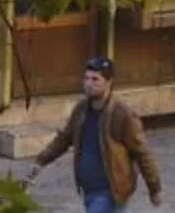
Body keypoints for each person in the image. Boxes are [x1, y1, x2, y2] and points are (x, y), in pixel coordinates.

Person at [31, 55, 163, 212]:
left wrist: (154, 188)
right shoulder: (81, 110)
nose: (88, 84)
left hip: (111, 191)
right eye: (86, 78)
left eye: (95, 80)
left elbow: (142, 153)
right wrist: (41, 161)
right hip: (88, 190)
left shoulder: (122, 115)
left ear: (109, 82)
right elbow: (64, 139)